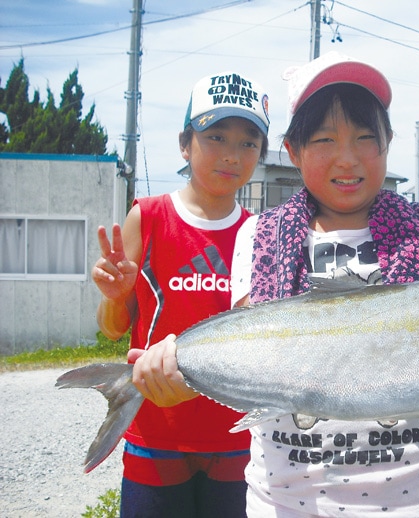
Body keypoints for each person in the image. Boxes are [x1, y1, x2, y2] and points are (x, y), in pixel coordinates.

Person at [135, 52, 419, 517]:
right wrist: (179, 376)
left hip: (409, 503)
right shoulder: (259, 233)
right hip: (283, 503)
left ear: (388, 143)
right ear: (293, 151)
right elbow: (253, 360)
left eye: (367, 138)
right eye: (325, 139)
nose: (348, 159)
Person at [91, 69, 270, 517]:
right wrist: (116, 295)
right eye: (216, 136)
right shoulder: (147, 217)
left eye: (249, 142)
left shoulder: (259, 233)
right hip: (156, 431)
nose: (232, 155)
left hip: (236, 434)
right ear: (185, 143)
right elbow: (114, 329)